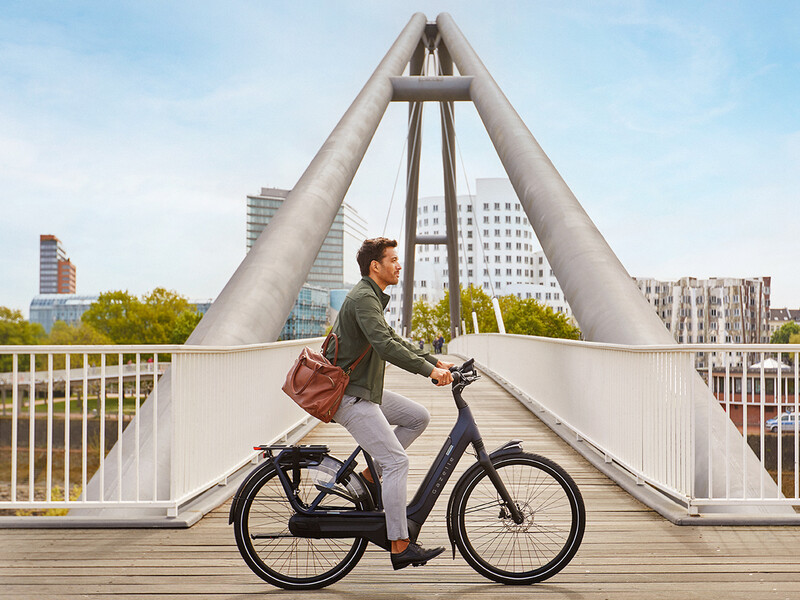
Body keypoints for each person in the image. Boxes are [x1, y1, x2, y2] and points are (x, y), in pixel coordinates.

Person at [327, 237, 453, 571]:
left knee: (417, 417)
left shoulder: (371, 296)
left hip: (364, 390)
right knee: (396, 463)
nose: (399, 265)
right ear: (375, 266)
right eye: (393, 259)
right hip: (351, 395)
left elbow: (394, 338)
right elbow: (384, 345)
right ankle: (400, 544)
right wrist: (429, 372)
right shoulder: (364, 298)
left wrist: (436, 362)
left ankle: (370, 476)